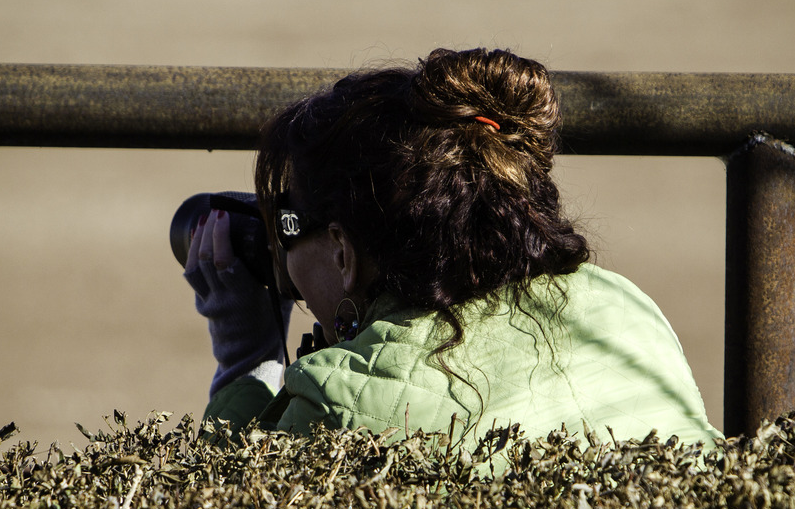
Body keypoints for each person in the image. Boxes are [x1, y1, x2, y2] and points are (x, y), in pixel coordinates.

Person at [184, 48, 722, 448]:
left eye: (288, 223)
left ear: (344, 252)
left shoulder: (348, 402)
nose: (282, 255)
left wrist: (247, 359)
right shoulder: (624, 308)